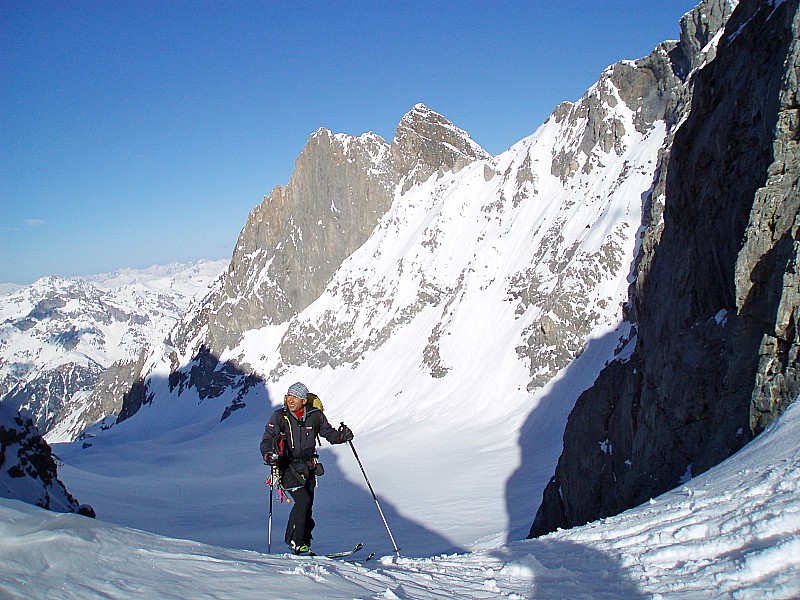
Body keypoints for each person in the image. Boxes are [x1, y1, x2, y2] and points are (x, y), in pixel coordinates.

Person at [260, 381, 354, 555]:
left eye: (295, 397)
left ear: (304, 400)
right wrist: (269, 455)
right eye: (289, 396)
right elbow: (267, 440)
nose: (291, 400)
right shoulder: (280, 416)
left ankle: (304, 542)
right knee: (302, 501)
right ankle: (296, 542)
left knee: (307, 504)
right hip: (286, 467)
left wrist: (342, 436)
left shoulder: (315, 416)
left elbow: (329, 434)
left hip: (309, 467)